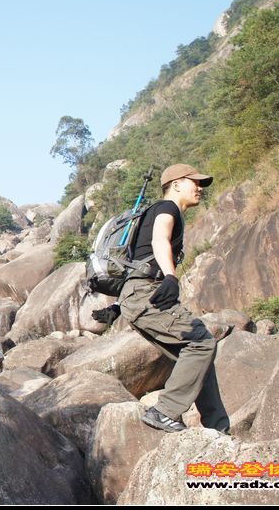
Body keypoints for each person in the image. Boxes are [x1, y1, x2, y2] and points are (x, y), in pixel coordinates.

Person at [93, 164, 230, 434]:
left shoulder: (154, 211)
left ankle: (217, 428)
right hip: (148, 293)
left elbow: (138, 261)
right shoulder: (168, 208)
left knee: (198, 359)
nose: (200, 188)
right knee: (201, 343)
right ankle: (164, 411)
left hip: (138, 296)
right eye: (194, 182)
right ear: (176, 184)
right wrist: (170, 276)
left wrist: (119, 306)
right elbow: (159, 240)